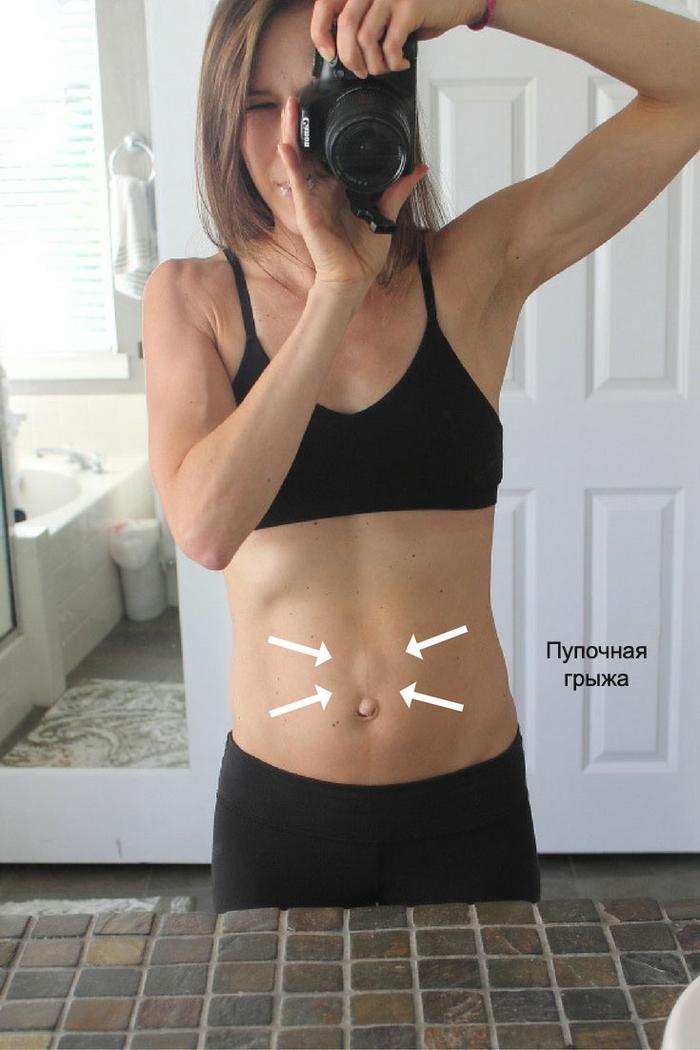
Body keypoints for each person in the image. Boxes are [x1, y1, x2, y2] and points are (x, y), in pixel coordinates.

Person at [143, 0, 541, 911]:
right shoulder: (192, 298)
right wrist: (335, 290)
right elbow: (205, 529)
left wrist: (479, 6)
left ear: (384, 101)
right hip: (281, 822)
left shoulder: (469, 271)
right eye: (259, 104)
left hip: (468, 812)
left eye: (321, 97)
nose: (295, 138)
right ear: (221, 117)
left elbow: (688, 86)